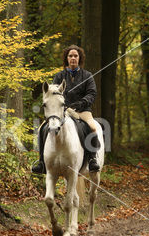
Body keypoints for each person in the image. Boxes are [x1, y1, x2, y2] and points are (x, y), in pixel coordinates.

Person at [32, 45, 101, 174]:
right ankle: (41, 161)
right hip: (62, 111)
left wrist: (81, 103)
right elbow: (53, 93)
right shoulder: (59, 76)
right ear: (67, 59)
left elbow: (92, 93)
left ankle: (92, 159)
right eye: (70, 56)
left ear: (79, 58)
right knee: (42, 128)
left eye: (75, 56)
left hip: (82, 110)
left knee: (92, 127)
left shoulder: (87, 76)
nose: (73, 58)